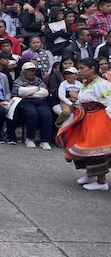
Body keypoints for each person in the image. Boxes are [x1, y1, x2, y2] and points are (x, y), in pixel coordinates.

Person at [56, 58, 111, 190]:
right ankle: (90, 174)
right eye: (79, 68)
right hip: (87, 119)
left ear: (92, 69)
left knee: (96, 150)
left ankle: (101, 181)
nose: (79, 71)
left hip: (99, 119)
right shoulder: (86, 83)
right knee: (81, 146)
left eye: (82, 68)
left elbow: (109, 102)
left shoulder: (102, 84)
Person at [12, 62, 53, 150]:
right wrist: (37, 89)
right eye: (29, 71)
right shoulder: (18, 81)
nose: (31, 73)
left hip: (40, 101)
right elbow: (19, 92)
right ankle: (30, 138)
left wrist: (28, 91)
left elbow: (45, 92)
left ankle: (45, 141)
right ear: (23, 71)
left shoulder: (38, 80)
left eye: (33, 71)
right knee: (32, 114)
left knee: (47, 114)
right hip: (24, 101)